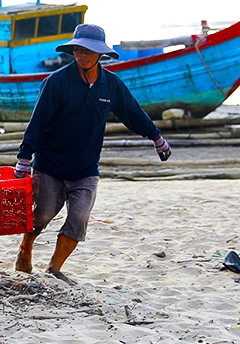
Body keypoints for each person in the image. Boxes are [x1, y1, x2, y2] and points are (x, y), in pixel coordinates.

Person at [13, 23, 170, 285]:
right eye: (77, 50)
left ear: (101, 54)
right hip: (50, 165)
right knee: (42, 214)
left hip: (86, 168)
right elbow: (37, 121)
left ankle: (54, 267)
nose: (82, 56)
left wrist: (157, 137)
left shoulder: (111, 85)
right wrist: (24, 158)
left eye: (88, 51)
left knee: (79, 219)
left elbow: (133, 113)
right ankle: (25, 247)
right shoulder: (56, 83)